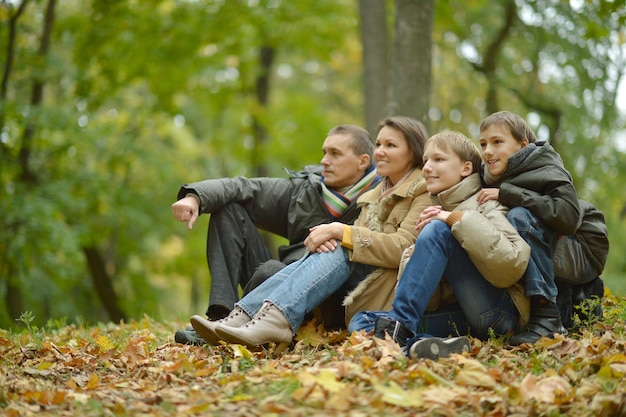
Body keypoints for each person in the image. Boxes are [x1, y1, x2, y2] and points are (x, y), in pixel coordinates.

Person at [189, 116, 433, 347]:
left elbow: (405, 246)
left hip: (362, 294)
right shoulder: (336, 192)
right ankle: (239, 315)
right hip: (309, 277)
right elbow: (245, 187)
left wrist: (340, 232)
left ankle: (269, 319)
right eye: (379, 143)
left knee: (333, 245)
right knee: (230, 209)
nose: (325, 160)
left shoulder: (422, 189)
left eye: (390, 145)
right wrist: (195, 197)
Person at [349, 130, 531, 360]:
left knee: (438, 231)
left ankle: (399, 331)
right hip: (458, 316)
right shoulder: (432, 212)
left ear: (466, 168)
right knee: (363, 321)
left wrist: (454, 220)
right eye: (425, 161)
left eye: (438, 159)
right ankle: (423, 345)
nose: (426, 168)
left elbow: (512, 264)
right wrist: (416, 257)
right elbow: (431, 301)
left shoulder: (485, 203)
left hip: (498, 314)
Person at [477, 111, 581, 345]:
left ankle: (548, 318)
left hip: (559, 261)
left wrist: (509, 194)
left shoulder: (546, 166)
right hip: (512, 270)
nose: (487, 151)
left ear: (522, 145)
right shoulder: (488, 177)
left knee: (519, 216)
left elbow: (569, 216)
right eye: (483, 144)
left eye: (497, 142)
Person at [554, 199, 609, 328]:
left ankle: (584, 293)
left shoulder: (565, 203)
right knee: (563, 323)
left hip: (586, 255)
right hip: (591, 259)